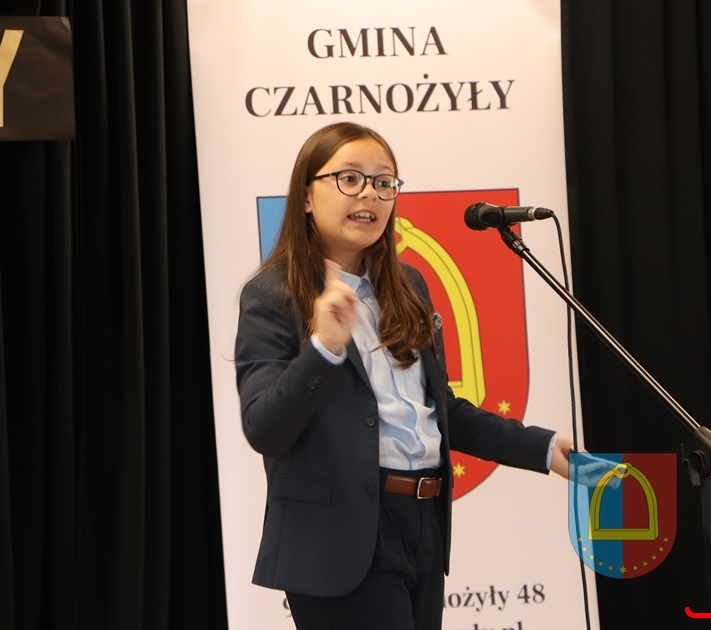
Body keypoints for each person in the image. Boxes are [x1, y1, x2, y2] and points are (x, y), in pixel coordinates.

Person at [234, 121, 573, 630]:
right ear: (305, 196)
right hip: (340, 537)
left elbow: (441, 410)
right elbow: (264, 427)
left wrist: (543, 449)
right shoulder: (273, 294)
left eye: (384, 181)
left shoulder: (408, 285)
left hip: (421, 524)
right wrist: (324, 348)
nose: (369, 194)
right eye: (349, 178)